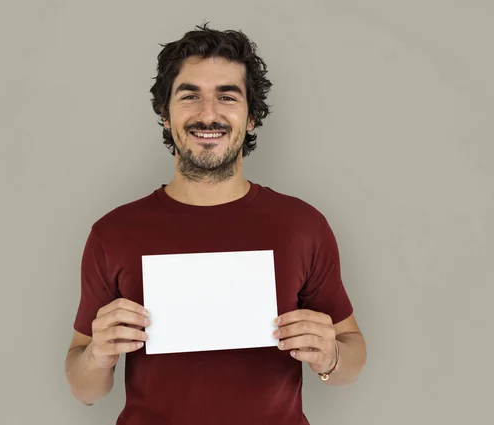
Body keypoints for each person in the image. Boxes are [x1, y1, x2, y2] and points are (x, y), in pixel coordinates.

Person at [64, 23, 367, 424]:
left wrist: (331, 355)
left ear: (252, 116)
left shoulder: (302, 226)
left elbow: (351, 355)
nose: (208, 114)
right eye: (190, 96)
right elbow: (85, 389)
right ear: (164, 112)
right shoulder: (113, 232)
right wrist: (97, 355)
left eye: (227, 96)